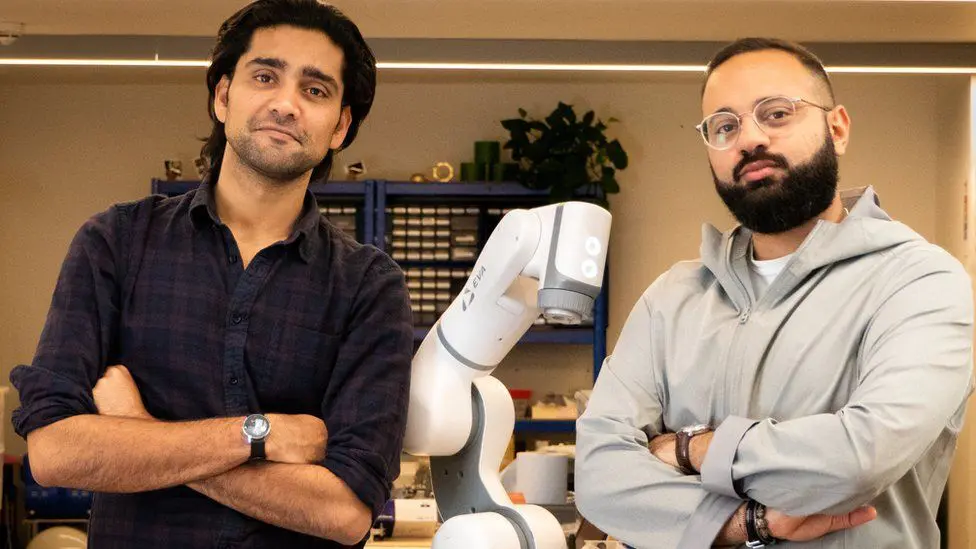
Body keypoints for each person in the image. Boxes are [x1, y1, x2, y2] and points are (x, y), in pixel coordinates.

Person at [10, 1, 413, 548]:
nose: (286, 104)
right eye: (265, 77)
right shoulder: (117, 242)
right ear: (223, 96)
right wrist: (259, 435)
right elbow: (55, 452)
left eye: (315, 90)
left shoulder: (368, 285)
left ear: (340, 126)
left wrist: (141, 432)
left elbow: (344, 512)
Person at [575, 37, 973, 549]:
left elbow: (859, 459)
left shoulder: (918, 281)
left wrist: (689, 450)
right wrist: (750, 523)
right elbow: (598, 475)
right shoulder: (671, 298)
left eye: (777, 113)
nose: (749, 139)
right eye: (724, 126)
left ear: (837, 128)